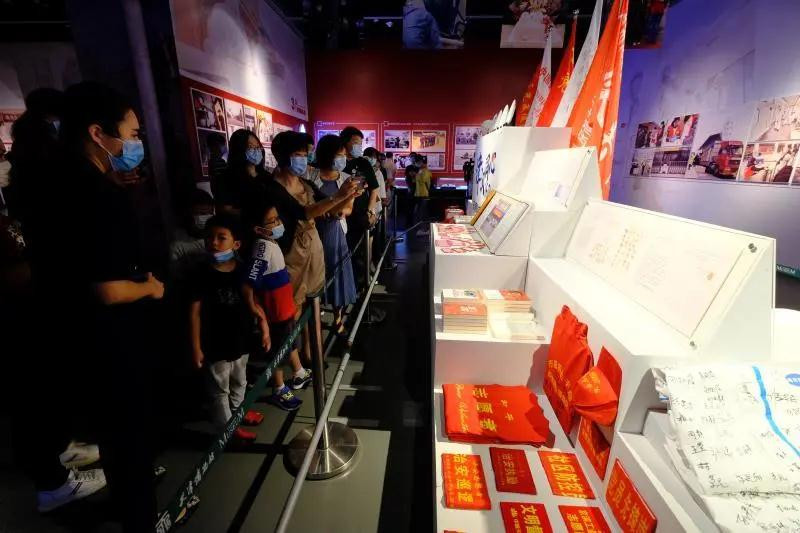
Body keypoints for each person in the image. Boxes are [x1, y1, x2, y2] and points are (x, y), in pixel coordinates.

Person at [58, 81, 164, 530]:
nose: (137, 143)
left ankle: (128, 505)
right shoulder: (99, 196)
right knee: (130, 437)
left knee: (115, 439)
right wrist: (151, 289)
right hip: (114, 339)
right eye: (132, 133)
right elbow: (108, 289)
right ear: (97, 133)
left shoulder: (65, 182)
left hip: (82, 337)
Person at [264, 131, 359, 362]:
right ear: (283, 156)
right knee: (292, 310)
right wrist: (340, 196)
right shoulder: (272, 188)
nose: (303, 159)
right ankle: (294, 363)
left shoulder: (305, 183)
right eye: (298, 154)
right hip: (290, 254)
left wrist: (349, 196)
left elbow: (328, 209)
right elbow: (304, 212)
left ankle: (311, 352)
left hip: (313, 250)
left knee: (312, 304)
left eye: (305, 154)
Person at [189, 213, 267, 440]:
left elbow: (253, 302)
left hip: (241, 339)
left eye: (221, 238)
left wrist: (263, 326)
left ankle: (237, 415)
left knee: (240, 381)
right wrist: (196, 347)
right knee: (219, 389)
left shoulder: (242, 270)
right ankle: (227, 431)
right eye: (209, 237)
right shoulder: (201, 273)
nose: (213, 242)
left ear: (237, 244)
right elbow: (194, 313)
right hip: (215, 343)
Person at [244, 203, 312, 409]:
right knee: (278, 351)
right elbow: (249, 282)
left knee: (288, 342)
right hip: (275, 311)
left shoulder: (271, 243)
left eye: (277, 218)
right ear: (258, 228)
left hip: (284, 307)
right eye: (272, 221)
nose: (278, 223)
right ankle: (279, 388)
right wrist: (256, 310)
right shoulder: (262, 248)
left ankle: (299, 372)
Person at [307, 135, 358, 335]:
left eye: (344, 155)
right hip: (313, 232)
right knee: (315, 275)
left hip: (335, 231)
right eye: (339, 155)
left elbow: (349, 208)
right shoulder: (309, 175)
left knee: (337, 276)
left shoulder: (346, 179)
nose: (342, 159)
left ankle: (337, 318)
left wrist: (335, 212)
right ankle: (315, 316)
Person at [213, 128, 270, 231]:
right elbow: (225, 210)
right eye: (251, 147)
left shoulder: (266, 176)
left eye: (258, 147)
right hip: (241, 230)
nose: (256, 151)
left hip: (266, 228)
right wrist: (252, 213)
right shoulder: (226, 178)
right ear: (239, 150)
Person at [169, 188, 215, 287]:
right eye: (201, 213)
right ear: (189, 213)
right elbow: (176, 273)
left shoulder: (217, 235)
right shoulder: (179, 237)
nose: (205, 218)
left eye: (209, 213)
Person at [414, 155, 432, 236]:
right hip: (419, 194)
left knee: (423, 213)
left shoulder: (425, 171)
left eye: (418, 162)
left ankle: (425, 229)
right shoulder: (420, 170)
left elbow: (427, 183)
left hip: (424, 194)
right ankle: (422, 228)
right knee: (420, 212)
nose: (417, 164)